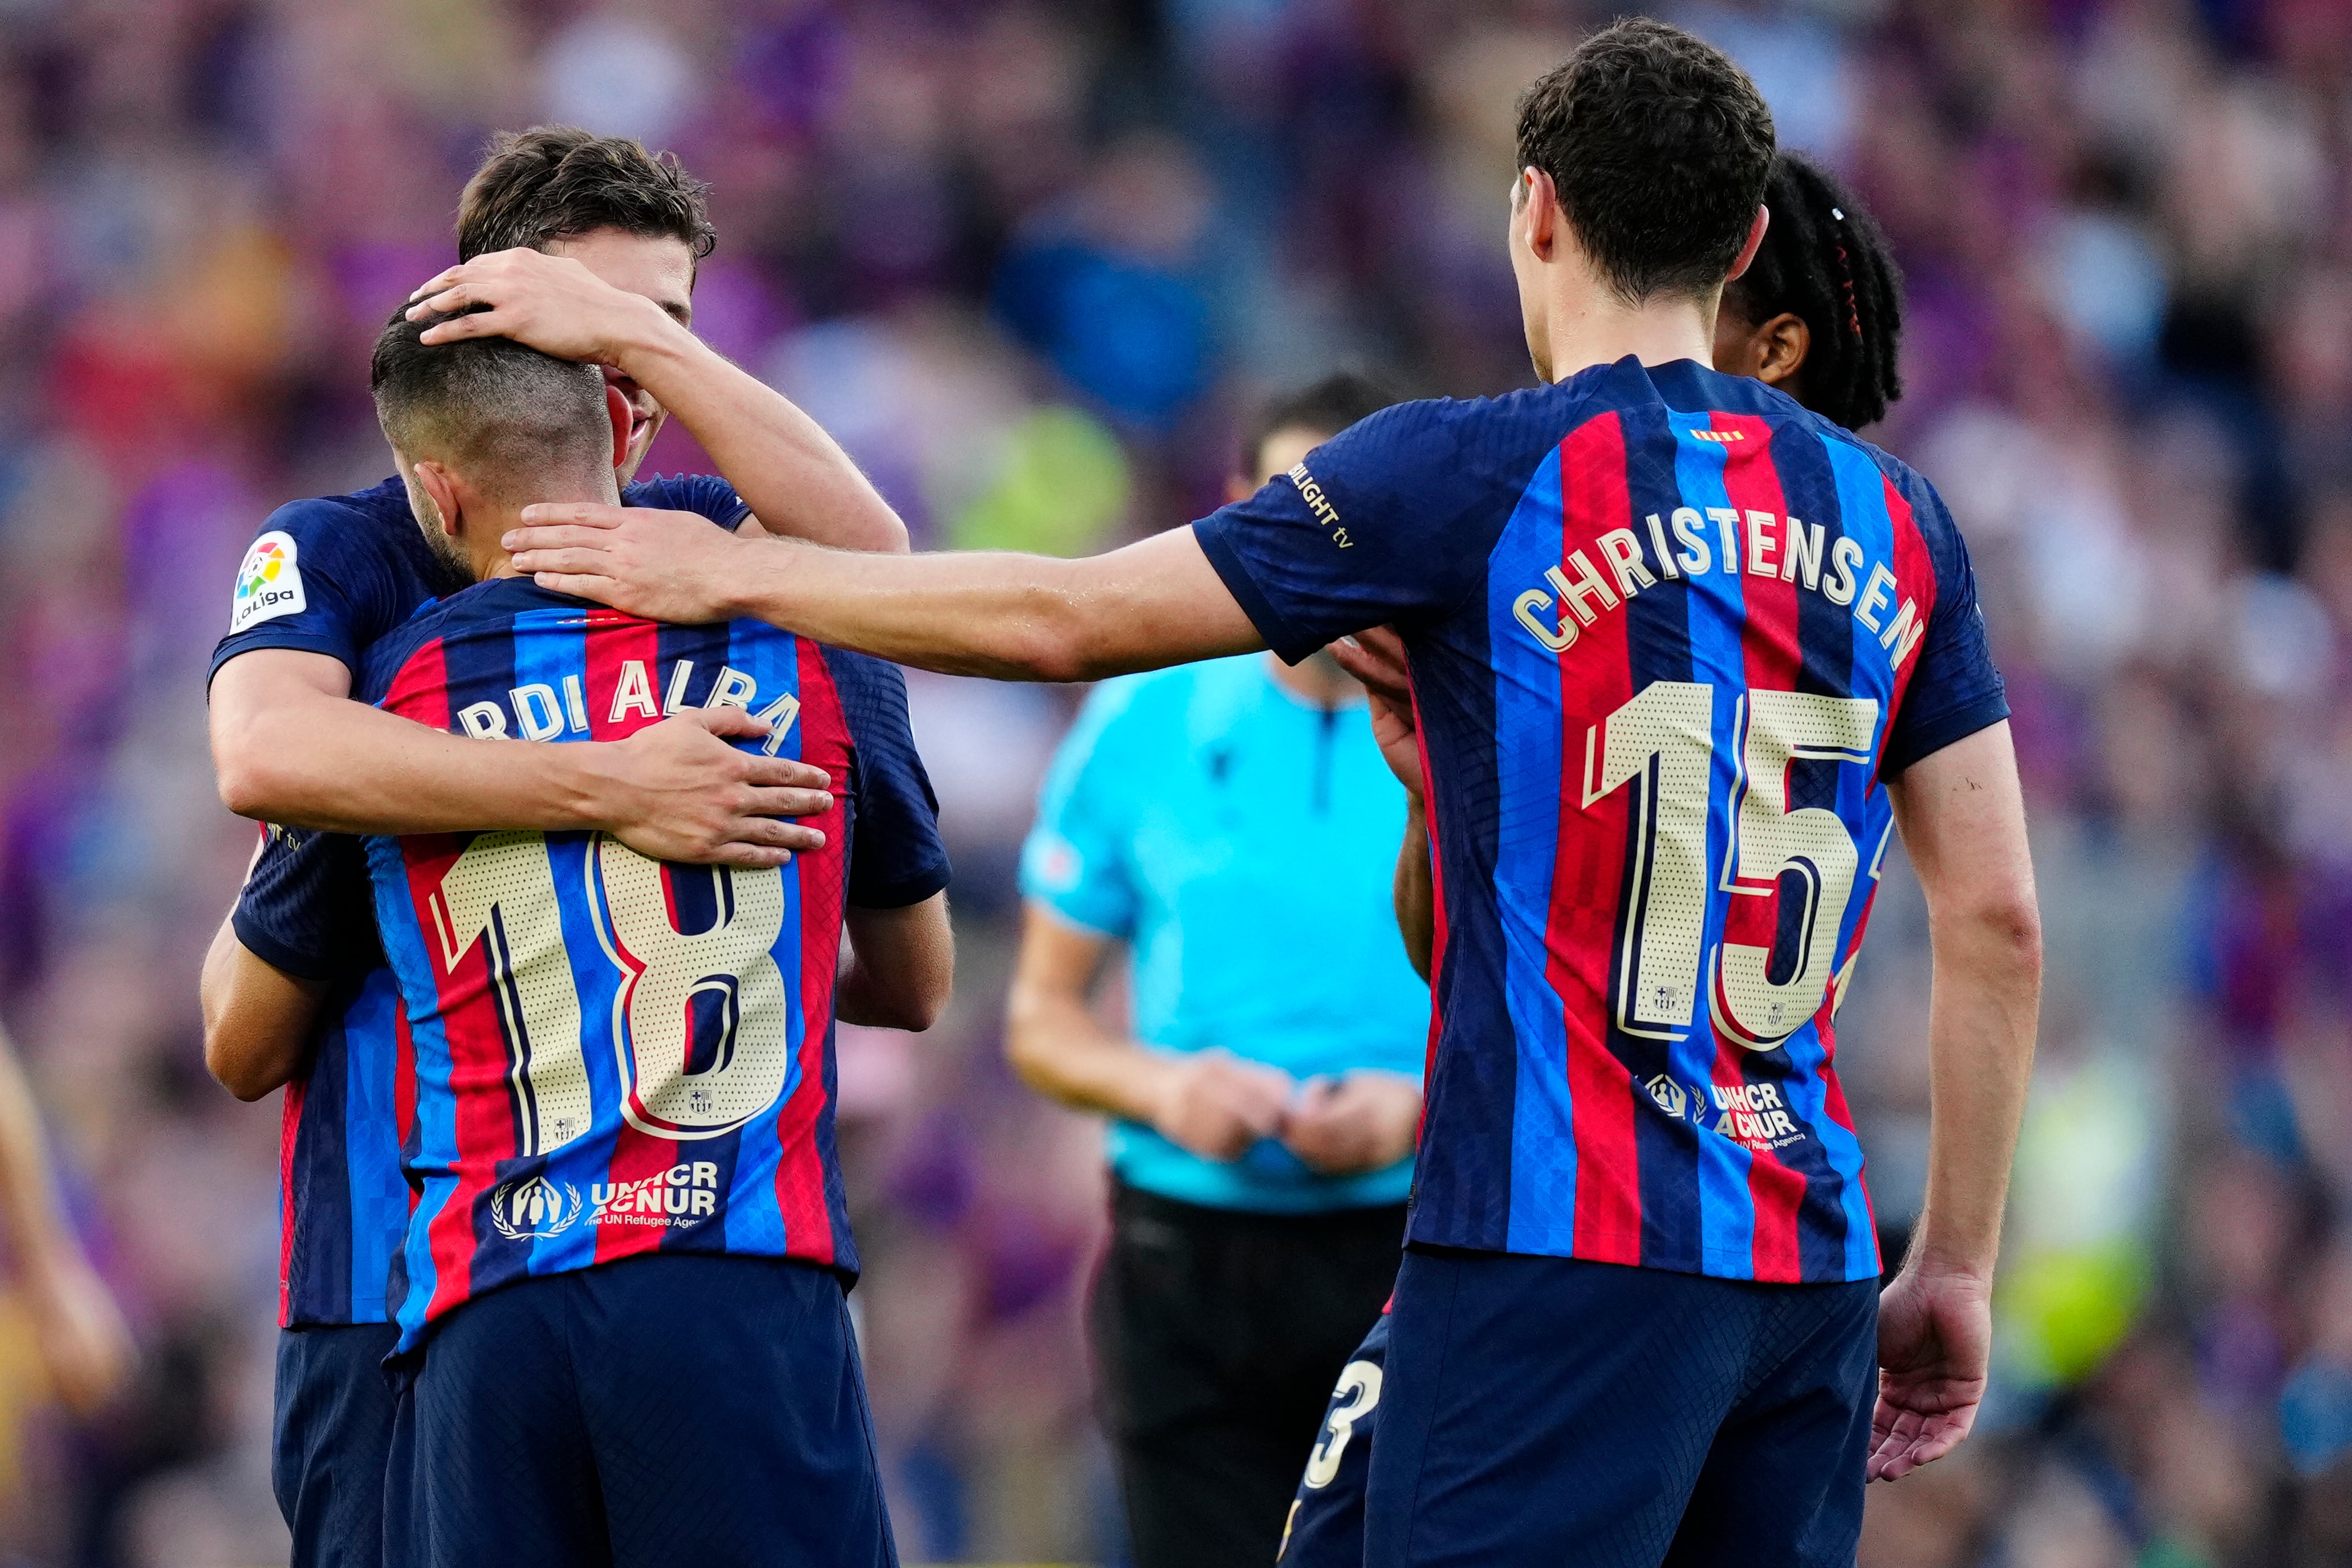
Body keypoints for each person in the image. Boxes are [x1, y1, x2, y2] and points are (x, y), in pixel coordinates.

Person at [490, 19, 2042, 1564]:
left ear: (1535, 212)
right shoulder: (1901, 523)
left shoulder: (1465, 474)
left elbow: (1062, 619)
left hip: (1561, 1250)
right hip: (1806, 1264)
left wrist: (743, 570)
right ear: (1747, 239)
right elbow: (1992, 915)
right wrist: (1955, 1267)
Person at [200, 128, 904, 1568]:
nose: (629, 376)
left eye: (667, 331)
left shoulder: (692, 541)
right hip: (390, 1269)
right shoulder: (342, 555)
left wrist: (658, 353)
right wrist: (605, 786)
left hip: (657, 1239)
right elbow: (263, 755)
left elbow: (880, 569)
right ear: (482, 313)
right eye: (591, 320)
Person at [1276, 146, 1912, 1568]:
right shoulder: (1883, 548)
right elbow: (1463, 941)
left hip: (1578, 1233)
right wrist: (1430, 787)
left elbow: (1065, 621)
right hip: (1778, 1233)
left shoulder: (1531, 490)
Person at [358, 303, 951, 1568]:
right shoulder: (809, 648)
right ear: (620, 435)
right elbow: (914, 978)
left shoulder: (384, 700)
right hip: (731, 1268)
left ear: (437, 488)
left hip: (487, 1309)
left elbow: (240, 1029)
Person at [1006, 372, 1425, 1568]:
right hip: (1185, 1259)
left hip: (1414, 1247)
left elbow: (1572, 1016)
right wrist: (1164, 1091)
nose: (1335, 548)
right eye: (1301, 510)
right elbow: (1040, 1019)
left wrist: (1421, 1108)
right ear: (1241, 513)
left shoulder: (1484, 721)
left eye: (1369, 511)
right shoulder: (1140, 724)